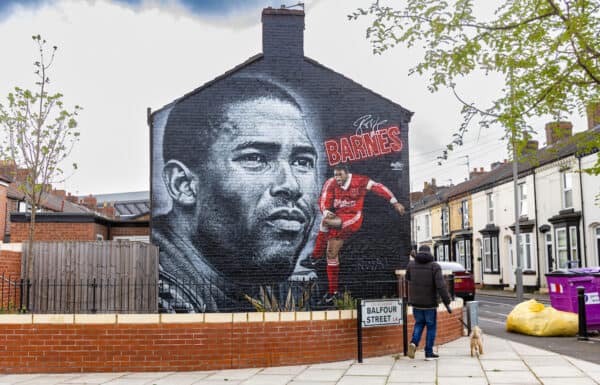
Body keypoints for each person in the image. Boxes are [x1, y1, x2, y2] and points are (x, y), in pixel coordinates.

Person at [153, 76, 320, 312]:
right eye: (255, 158)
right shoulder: (154, 294)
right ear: (183, 184)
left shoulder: (242, 280)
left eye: (302, 161)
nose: (291, 186)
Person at [311, 164, 405, 302]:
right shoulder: (331, 182)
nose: (337, 178)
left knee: (326, 223)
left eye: (340, 175)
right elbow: (324, 198)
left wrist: (395, 202)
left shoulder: (359, 181)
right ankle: (333, 291)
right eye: (335, 175)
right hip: (338, 216)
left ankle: (315, 255)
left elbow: (378, 187)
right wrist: (326, 211)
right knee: (331, 253)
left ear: (347, 174)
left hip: (353, 218)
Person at [406, 245, 452, 361]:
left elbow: (408, 278)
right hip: (430, 303)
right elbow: (441, 286)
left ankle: (414, 343)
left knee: (419, 324)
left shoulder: (411, 265)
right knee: (431, 327)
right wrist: (447, 300)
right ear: (430, 253)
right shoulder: (434, 266)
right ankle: (428, 352)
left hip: (416, 302)